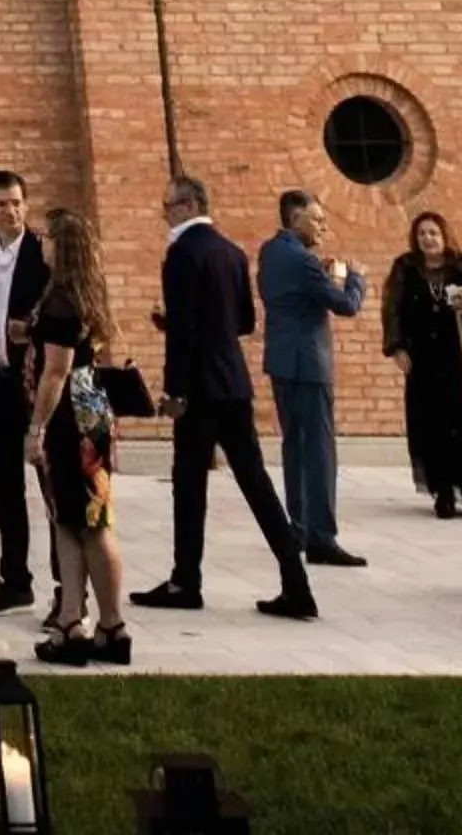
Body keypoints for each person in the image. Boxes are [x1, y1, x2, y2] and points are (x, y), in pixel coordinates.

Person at [134, 175, 317, 621]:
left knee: (189, 484)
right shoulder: (232, 252)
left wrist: (174, 390)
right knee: (255, 483)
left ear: (191, 203)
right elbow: (243, 323)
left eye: (168, 205)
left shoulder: (181, 254)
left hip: (198, 388)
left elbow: (183, 335)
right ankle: (296, 582)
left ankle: (185, 580)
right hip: (232, 383)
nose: (165, 213)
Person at [27, 206, 130, 668]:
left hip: (70, 420)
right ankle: (78, 618)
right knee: (73, 519)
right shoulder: (87, 294)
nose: (41, 243)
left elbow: (55, 371)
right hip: (94, 410)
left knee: (87, 521)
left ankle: (106, 621)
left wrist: (36, 426)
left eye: (47, 237)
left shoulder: (60, 301)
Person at [258, 190, 368, 567]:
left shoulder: (270, 252)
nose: (323, 225)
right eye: (316, 218)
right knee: (320, 450)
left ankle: (300, 527)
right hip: (309, 363)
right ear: (294, 218)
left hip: (281, 361)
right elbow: (346, 305)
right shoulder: (302, 260)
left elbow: (291, 292)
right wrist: (355, 278)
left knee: (295, 446)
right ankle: (322, 537)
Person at [381, 211, 462, 519]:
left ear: (444, 236)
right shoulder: (405, 268)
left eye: (433, 233)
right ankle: (442, 492)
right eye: (422, 233)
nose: (428, 239)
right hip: (424, 357)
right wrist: (397, 347)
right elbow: (392, 309)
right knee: (432, 422)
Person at [0, 169, 48, 613]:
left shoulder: (40, 251)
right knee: (6, 484)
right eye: (1, 204)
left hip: (32, 380)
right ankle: (16, 578)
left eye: (17, 202)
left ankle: (67, 583)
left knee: (52, 484)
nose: (11, 211)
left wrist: (30, 331)